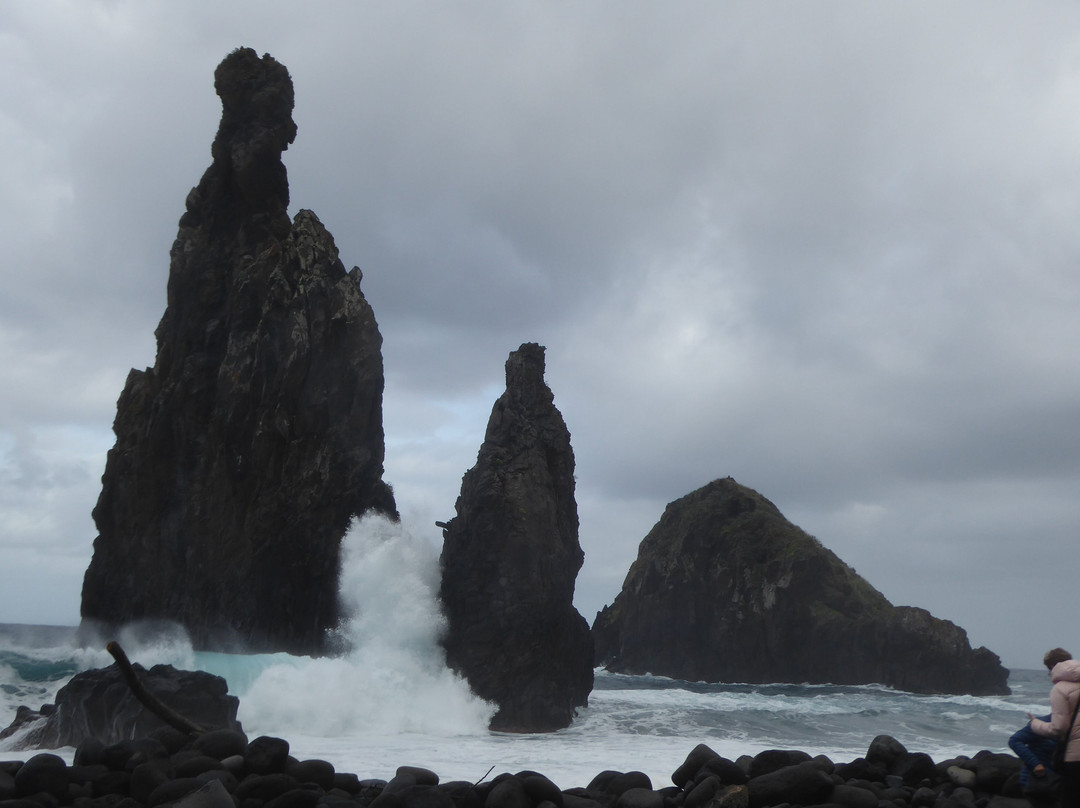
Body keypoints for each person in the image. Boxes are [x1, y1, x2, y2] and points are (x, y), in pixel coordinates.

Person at [1029, 647, 1080, 808]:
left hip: (1075, 758)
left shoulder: (1060, 689)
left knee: (1070, 801)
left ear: (1052, 667)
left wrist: (1035, 724)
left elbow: (1059, 728)